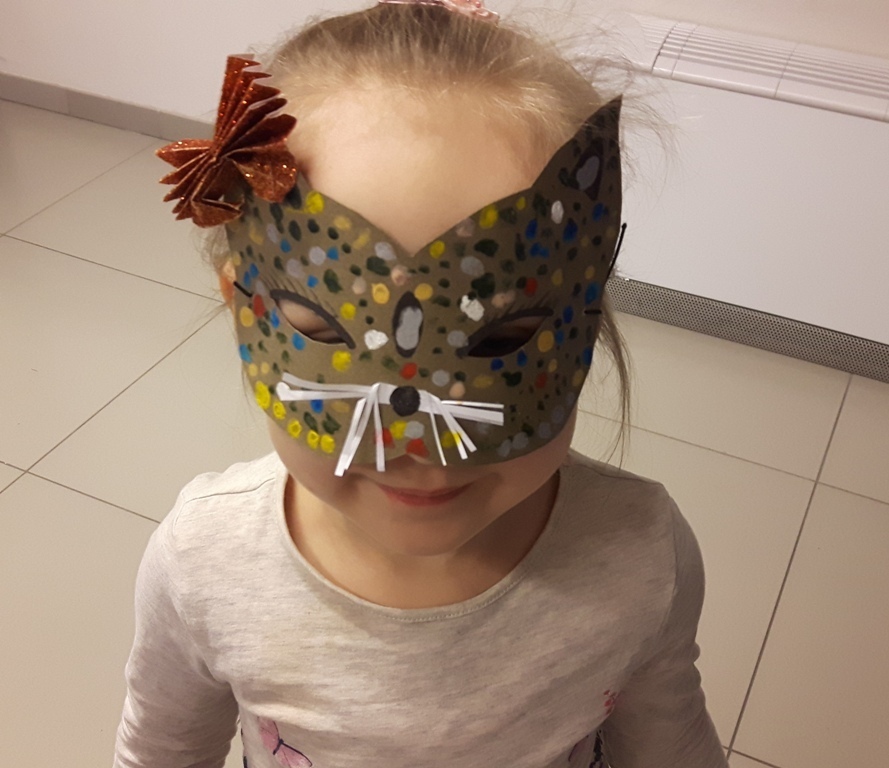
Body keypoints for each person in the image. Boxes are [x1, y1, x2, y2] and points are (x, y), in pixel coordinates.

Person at [114, 2, 727, 766]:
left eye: (498, 341)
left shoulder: (638, 557)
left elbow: (671, 743)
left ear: (588, 317)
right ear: (244, 308)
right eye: (325, 332)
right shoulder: (204, 565)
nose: (419, 443)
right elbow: (161, 751)